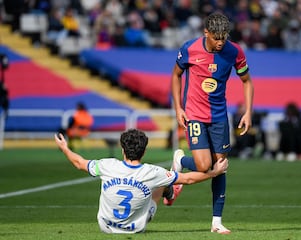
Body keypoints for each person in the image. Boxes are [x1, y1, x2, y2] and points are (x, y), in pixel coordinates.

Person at [170, 12, 254, 234]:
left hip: (218, 116)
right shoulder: (189, 48)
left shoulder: (234, 51)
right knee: (204, 166)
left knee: (221, 167)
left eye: (223, 38)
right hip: (194, 114)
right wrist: (178, 107)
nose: (220, 42)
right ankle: (181, 160)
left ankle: (216, 222)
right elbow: (176, 75)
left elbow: (247, 81)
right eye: (216, 37)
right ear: (205, 32)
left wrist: (247, 112)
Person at [54, 128, 228, 234]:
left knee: (159, 181)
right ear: (143, 152)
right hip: (137, 228)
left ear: (122, 149)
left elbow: (79, 163)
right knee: (161, 182)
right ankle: (171, 191)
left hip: (105, 226)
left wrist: (64, 148)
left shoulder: (106, 165)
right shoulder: (152, 172)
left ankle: (170, 189)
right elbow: (188, 179)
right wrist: (214, 173)